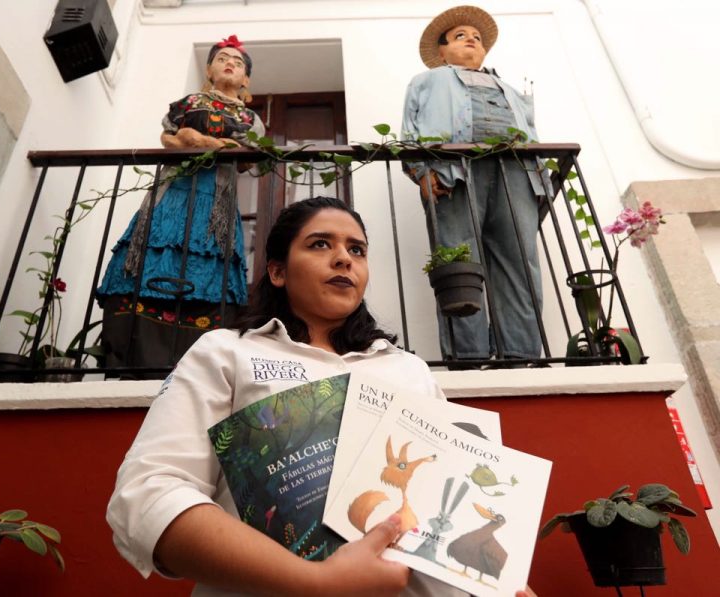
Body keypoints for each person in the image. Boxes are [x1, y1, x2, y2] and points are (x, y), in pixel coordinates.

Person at [107, 196, 537, 596]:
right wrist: (317, 582)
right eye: (319, 244)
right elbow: (149, 493)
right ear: (277, 271)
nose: (343, 259)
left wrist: (505, 581)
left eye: (357, 250)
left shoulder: (409, 370)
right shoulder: (226, 352)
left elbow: (455, 497)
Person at [96, 35, 264, 372]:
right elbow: (170, 139)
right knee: (152, 251)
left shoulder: (250, 120)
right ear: (208, 69)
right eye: (222, 58)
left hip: (215, 198)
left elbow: (249, 158)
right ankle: (137, 349)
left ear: (246, 78)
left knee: (208, 260)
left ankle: (196, 353)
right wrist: (214, 143)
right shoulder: (188, 103)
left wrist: (197, 140)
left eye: (237, 61)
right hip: (174, 192)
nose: (229, 62)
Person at [402, 6, 544, 364]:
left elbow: (533, 134)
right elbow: (409, 133)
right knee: (458, 261)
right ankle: (468, 356)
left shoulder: (510, 89)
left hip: (515, 173)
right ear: (443, 50)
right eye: (461, 36)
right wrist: (422, 172)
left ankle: (522, 354)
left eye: (477, 38)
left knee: (520, 264)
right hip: (452, 174)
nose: (471, 41)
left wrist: (540, 182)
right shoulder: (426, 82)